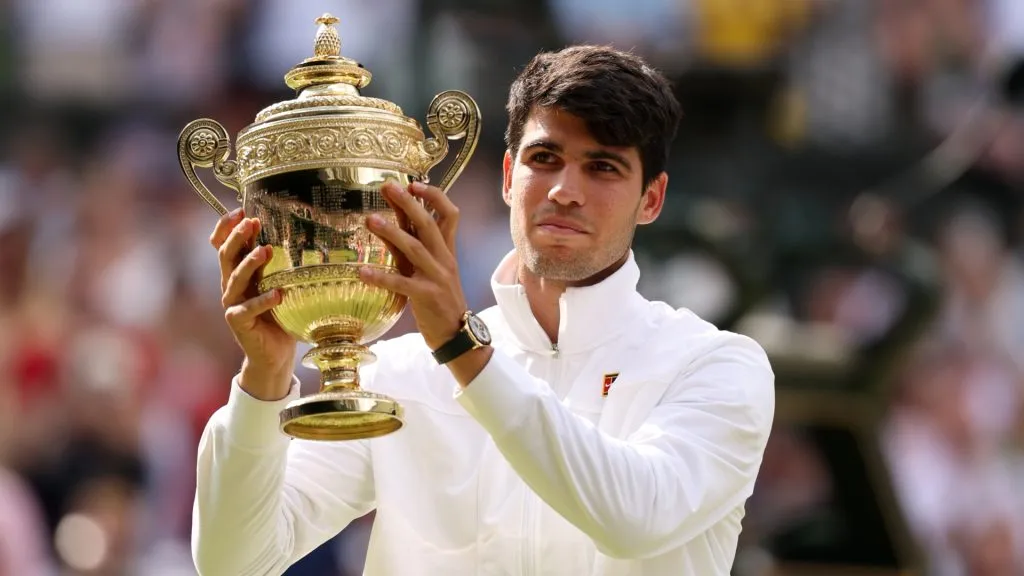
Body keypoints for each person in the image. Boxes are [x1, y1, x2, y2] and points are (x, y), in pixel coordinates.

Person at [191, 45, 776, 575]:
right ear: (506, 176)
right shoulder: (397, 374)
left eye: (602, 167)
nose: (564, 190)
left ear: (652, 199)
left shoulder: (717, 366)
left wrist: (460, 348)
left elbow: (634, 519)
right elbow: (235, 562)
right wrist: (263, 382)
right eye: (544, 158)